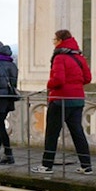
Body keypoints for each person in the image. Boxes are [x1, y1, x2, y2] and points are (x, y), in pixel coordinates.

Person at [32, 29, 93, 175]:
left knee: (52, 133)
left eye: (54, 39)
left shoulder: (60, 57)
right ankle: (86, 166)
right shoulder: (79, 57)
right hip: (77, 100)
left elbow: (58, 80)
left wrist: (49, 84)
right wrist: (75, 85)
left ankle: (46, 166)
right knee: (78, 132)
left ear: (60, 40)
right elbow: (88, 78)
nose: (53, 42)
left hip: (60, 100)